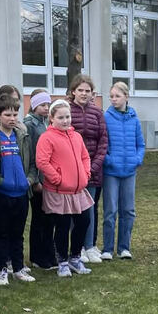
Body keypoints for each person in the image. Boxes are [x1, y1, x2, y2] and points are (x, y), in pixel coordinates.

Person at [36, 99, 94, 276]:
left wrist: (86, 174)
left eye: (67, 117)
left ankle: (75, 257)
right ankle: (62, 261)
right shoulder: (47, 138)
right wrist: (57, 179)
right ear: (52, 118)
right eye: (60, 117)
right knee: (62, 226)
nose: (65, 120)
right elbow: (42, 161)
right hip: (59, 191)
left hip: (78, 190)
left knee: (84, 221)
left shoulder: (76, 136)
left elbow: (85, 157)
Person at [0, 91, 35, 286]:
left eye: (15, 114)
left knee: (18, 233)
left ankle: (18, 268)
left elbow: (32, 163)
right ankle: (2, 270)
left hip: (21, 193)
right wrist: (0, 181)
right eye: (7, 115)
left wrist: (29, 180)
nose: (12, 118)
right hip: (1, 194)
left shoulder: (23, 136)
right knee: (0, 233)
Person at [101, 81, 145, 259]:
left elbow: (140, 144)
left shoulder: (134, 119)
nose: (113, 99)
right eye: (111, 96)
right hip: (111, 172)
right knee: (110, 211)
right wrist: (109, 160)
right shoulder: (106, 117)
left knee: (128, 211)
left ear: (126, 97)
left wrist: (137, 160)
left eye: (117, 96)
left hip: (129, 172)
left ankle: (124, 248)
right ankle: (107, 249)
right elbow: (102, 144)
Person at [69, 75, 108, 264]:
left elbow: (103, 141)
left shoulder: (97, 112)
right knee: (74, 211)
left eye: (87, 91)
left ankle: (89, 246)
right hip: (73, 170)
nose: (84, 94)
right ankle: (77, 248)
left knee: (90, 208)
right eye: (81, 90)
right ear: (73, 91)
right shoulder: (66, 110)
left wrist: (93, 166)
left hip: (92, 170)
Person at [24, 90, 56, 269]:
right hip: (38, 179)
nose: (46, 108)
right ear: (34, 105)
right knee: (39, 218)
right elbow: (29, 153)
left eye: (48, 105)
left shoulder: (46, 122)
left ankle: (49, 253)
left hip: (48, 178)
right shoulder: (29, 124)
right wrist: (35, 180)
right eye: (43, 105)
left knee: (49, 218)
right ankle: (37, 256)